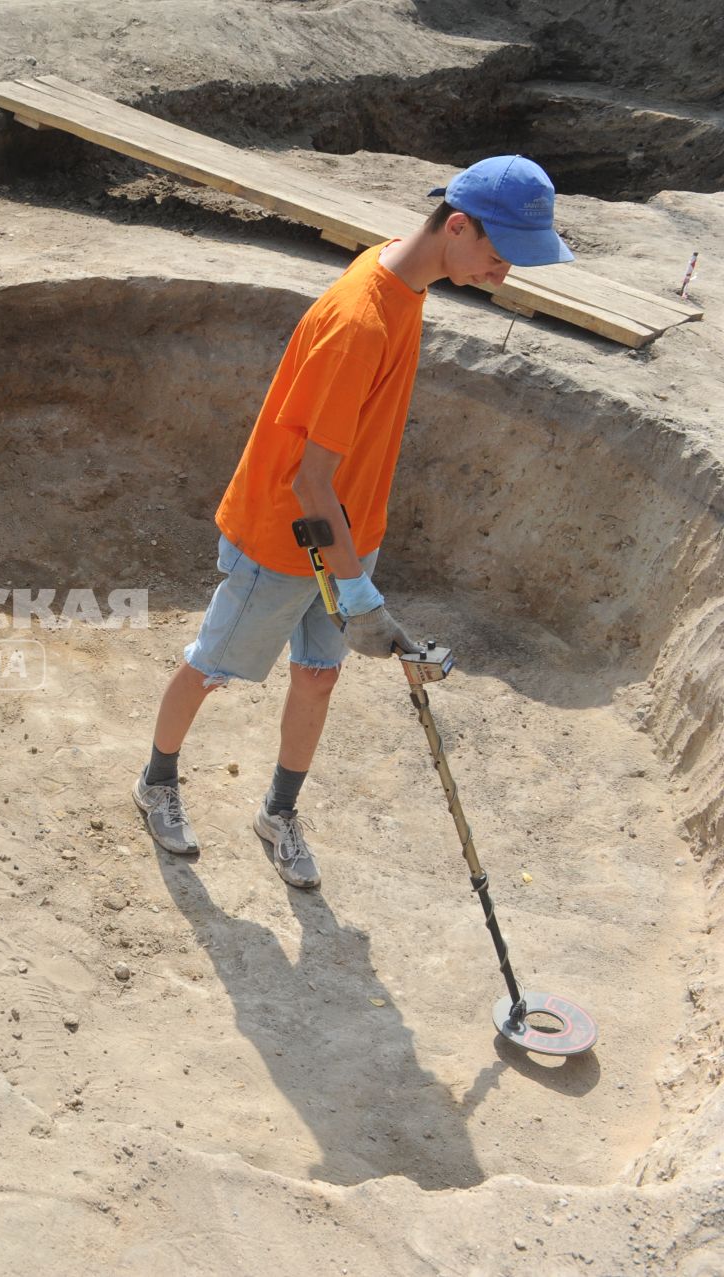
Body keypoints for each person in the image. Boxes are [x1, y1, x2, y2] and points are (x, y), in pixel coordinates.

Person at [133, 155, 575, 889]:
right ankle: (157, 780)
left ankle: (278, 813)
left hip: (348, 535)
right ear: (457, 226)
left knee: (317, 678)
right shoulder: (360, 321)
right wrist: (359, 594)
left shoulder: (407, 281)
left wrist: (357, 571)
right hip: (286, 534)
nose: (505, 274)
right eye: (500, 257)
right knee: (213, 666)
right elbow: (308, 481)